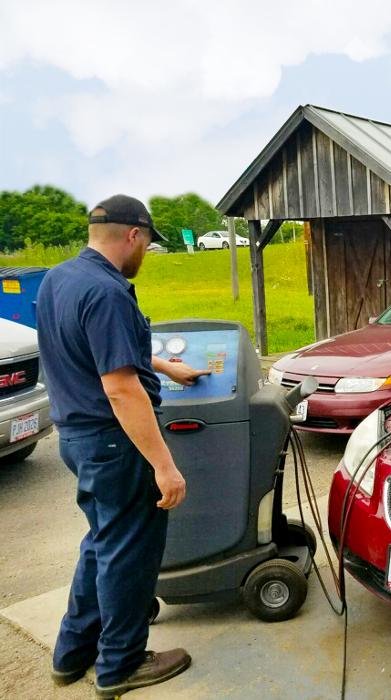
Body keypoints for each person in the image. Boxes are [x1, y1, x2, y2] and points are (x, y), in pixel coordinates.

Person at [36, 195, 209, 698]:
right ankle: (121, 666)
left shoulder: (61, 279)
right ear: (133, 234)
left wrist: (162, 363)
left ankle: (72, 654)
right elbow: (119, 387)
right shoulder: (108, 291)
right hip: (115, 442)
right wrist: (165, 467)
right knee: (129, 555)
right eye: (148, 244)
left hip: (77, 438)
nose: (146, 254)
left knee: (103, 544)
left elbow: (99, 348)